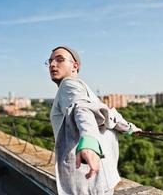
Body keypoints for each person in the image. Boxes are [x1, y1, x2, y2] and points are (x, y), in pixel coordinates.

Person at [47, 46, 141, 195]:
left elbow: (81, 109)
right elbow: (109, 113)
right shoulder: (85, 89)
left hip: (85, 176)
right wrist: (129, 128)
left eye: (59, 60)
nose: (52, 64)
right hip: (103, 177)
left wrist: (89, 142)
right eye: (50, 61)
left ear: (75, 66)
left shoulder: (68, 85)